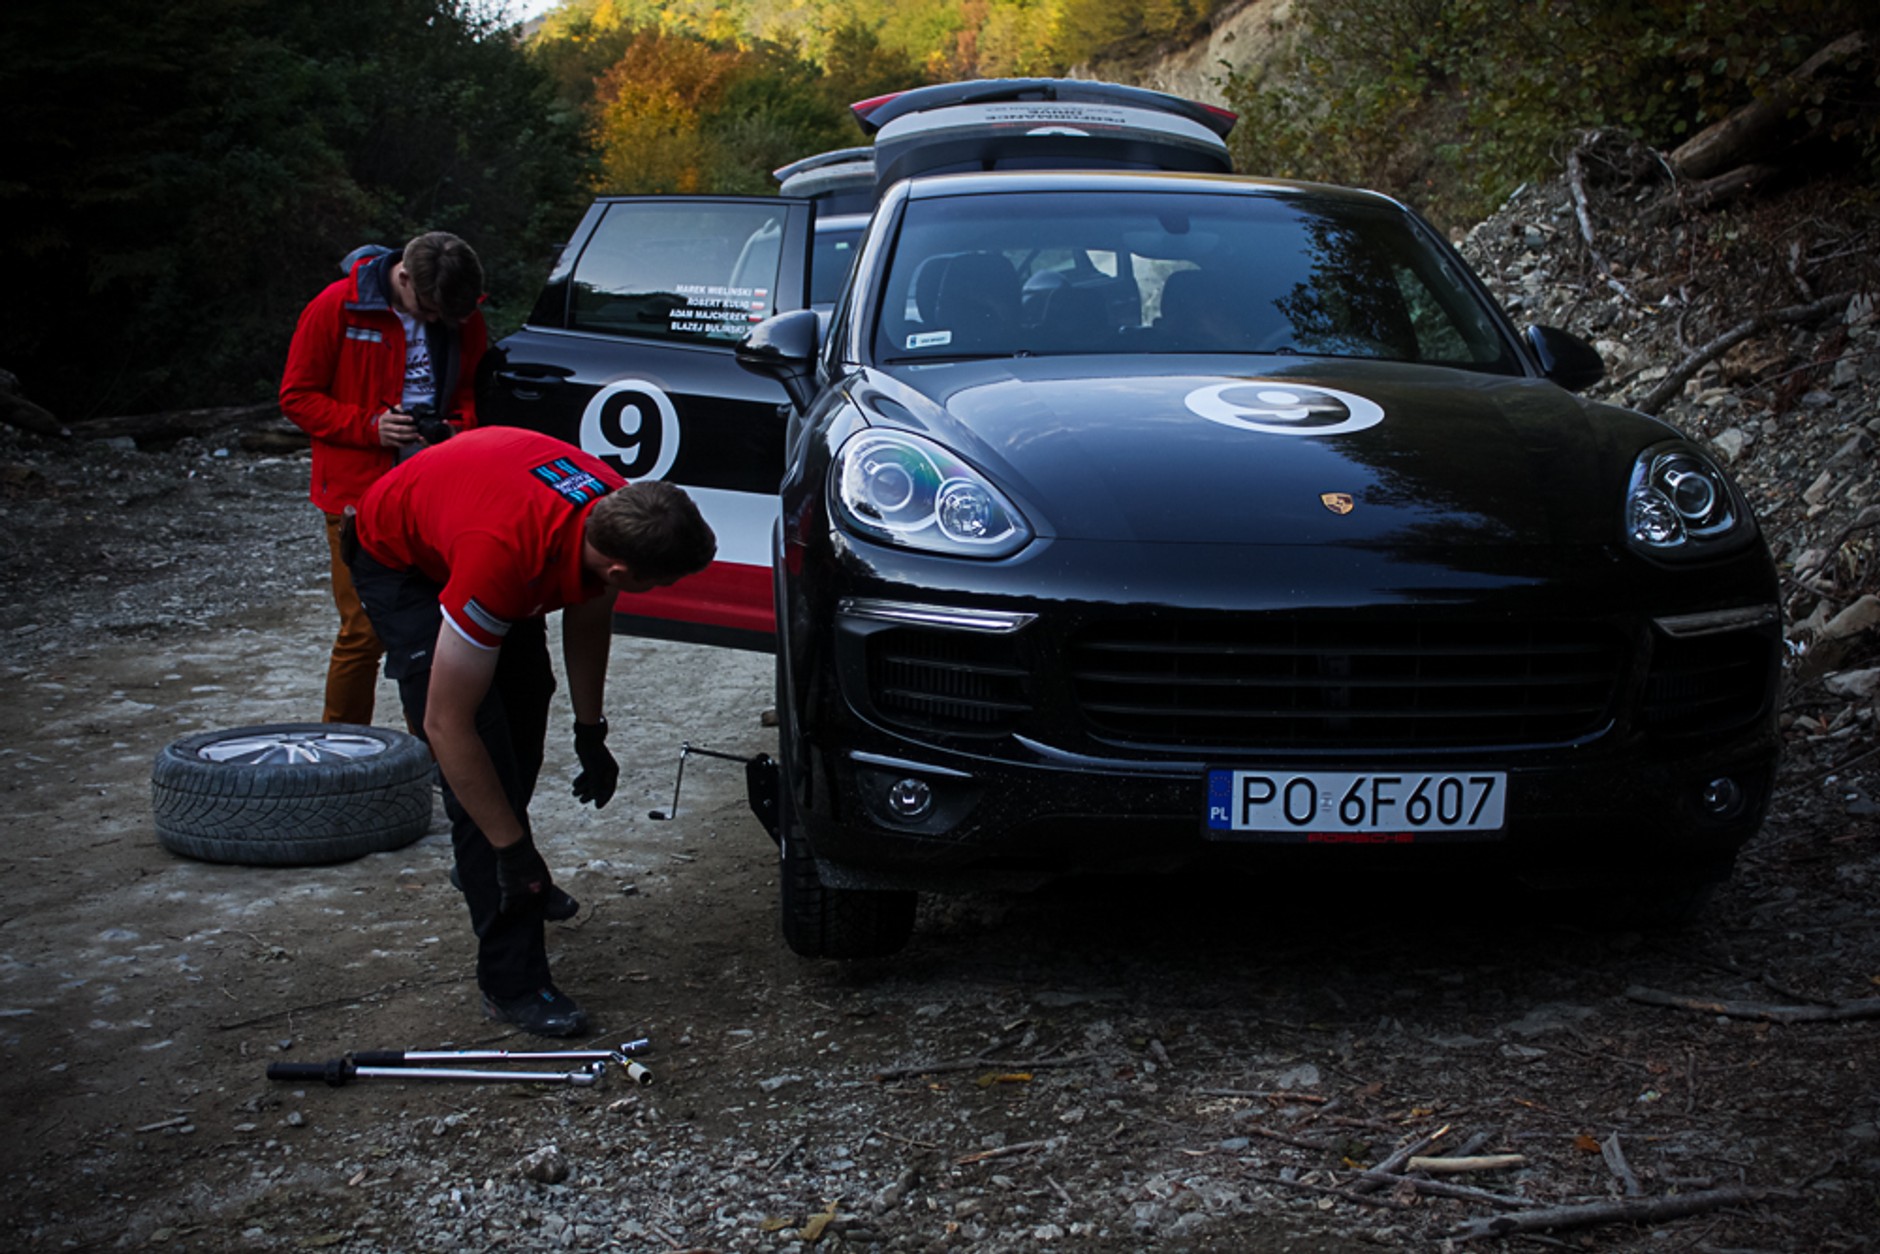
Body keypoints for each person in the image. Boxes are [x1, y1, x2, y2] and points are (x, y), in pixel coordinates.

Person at [346, 426, 716, 1037]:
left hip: (474, 519)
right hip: (400, 559)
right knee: (481, 772)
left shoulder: (616, 509)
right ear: (624, 567)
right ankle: (512, 981)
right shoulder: (502, 561)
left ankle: (497, 869)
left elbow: (591, 614)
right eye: (663, 583)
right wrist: (513, 850)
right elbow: (446, 725)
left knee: (524, 702)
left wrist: (591, 730)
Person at [280, 231, 489, 726]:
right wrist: (370, 428)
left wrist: (457, 429)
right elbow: (296, 397)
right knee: (364, 631)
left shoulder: (460, 312)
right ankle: (344, 750)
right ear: (402, 277)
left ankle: (443, 744)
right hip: (357, 494)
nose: (436, 321)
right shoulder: (338, 306)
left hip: (435, 489)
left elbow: (474, 393)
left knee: (443, 621)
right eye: (429, 310)